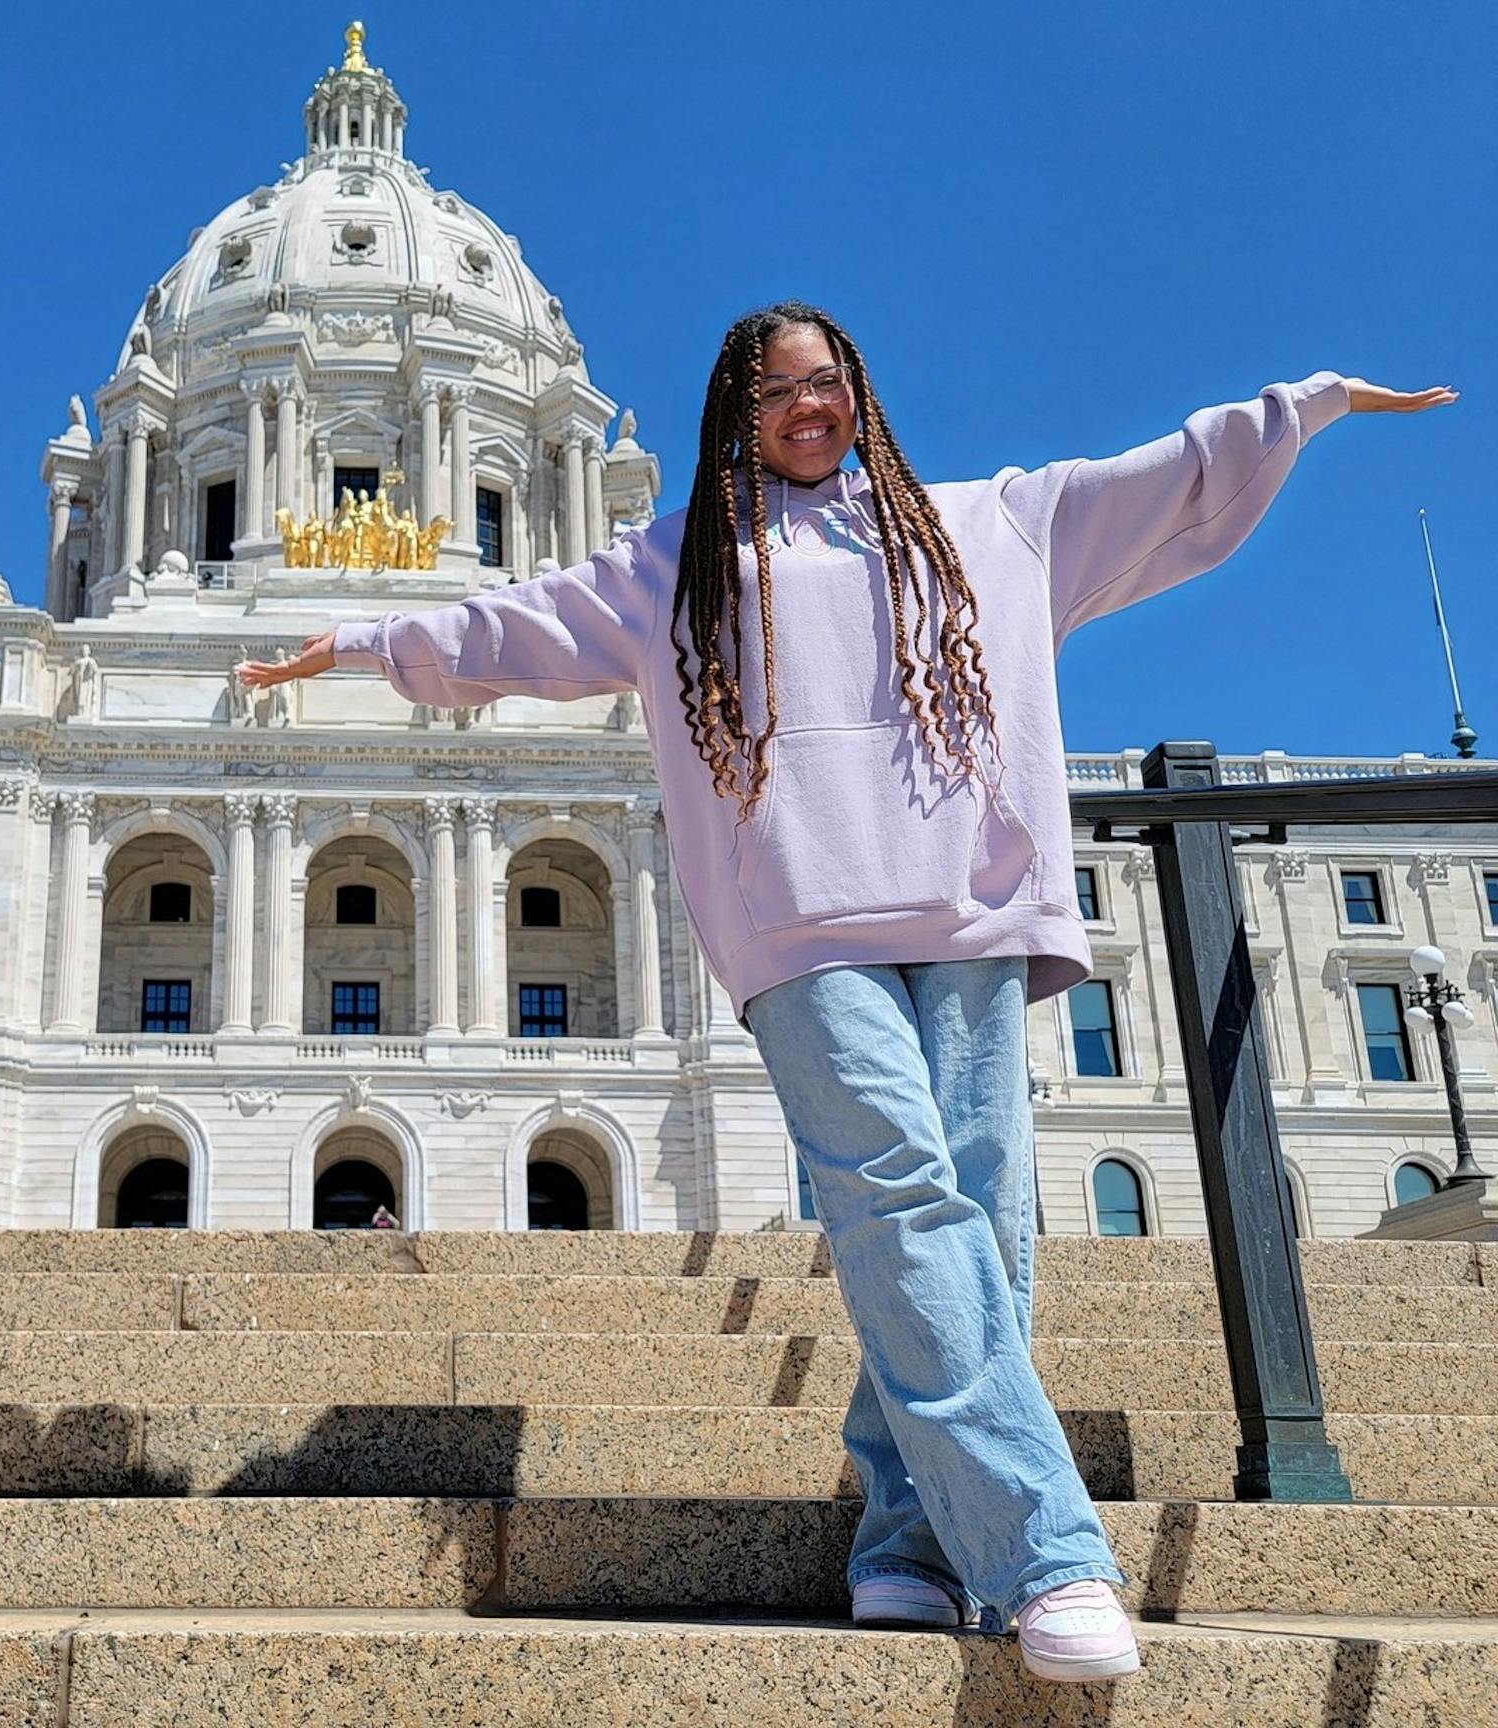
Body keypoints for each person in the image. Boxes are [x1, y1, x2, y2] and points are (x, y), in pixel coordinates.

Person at [234, 300, 1453, 1683]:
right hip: (803, 928)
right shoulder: (681, 570)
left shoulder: (989, 524)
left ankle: (904, 1543)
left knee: (976, 1225)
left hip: (972, 915)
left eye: (824, 384)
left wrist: (1306, 404)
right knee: (905, 1202)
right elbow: (510, 626)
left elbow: (1161, 478)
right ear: (734, 421)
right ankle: (1049, 1551)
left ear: (859, 393)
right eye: (775, 395)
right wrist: (353, 647)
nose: (805, 408)